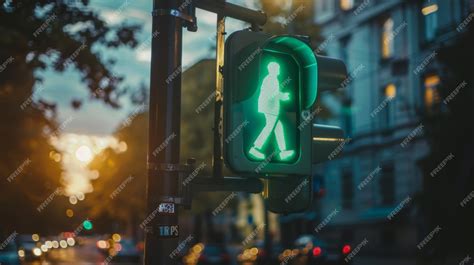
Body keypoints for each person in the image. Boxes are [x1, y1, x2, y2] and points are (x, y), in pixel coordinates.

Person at [249, 62, 295, 161]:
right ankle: (255, 148)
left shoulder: (271, 79)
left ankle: (283, 152)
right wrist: (282, 96)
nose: (279, 70)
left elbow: (273, 93)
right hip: (269, 108)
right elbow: (271, 95)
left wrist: (281, 95)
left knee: (278, 127)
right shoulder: (271, 79)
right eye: (277, 68)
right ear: (273, 70)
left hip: (269, 107)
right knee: (269, 127)